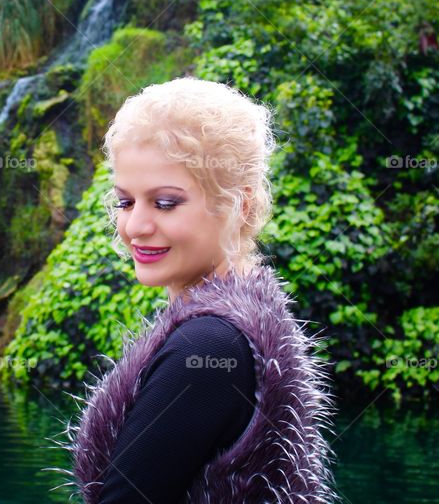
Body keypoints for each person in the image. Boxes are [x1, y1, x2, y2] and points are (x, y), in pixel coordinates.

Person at [65, 77, 338, 503]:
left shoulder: (210, 348)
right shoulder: (247, 326)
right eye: (125, 201)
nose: (135, 226)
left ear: (240, 205)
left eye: (166, 203)